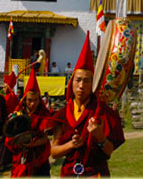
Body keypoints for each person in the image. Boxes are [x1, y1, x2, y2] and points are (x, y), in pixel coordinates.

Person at [50, 32, 125, 177]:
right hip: (70, 173)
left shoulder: (102, 112)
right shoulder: (62, 113)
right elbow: (54, 152)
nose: (81, 85)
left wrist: (100, 136)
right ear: (71, 82)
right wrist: (71, 145)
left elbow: (109, 151)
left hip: (95, 172)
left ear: (93, 84)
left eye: (86, 81)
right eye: (78, 80)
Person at [5, 68, 53, 177]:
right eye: (30, 100)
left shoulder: (43, 114)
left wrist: (32, 144)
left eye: (35, 100)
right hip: (21, 156)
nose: (32, 104)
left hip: (39, 157)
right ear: (25, 99)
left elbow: (45, 138)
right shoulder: (19, 113)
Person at [0, 72, 20, 170]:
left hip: (7, 122)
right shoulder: (13, 96)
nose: (3, 89)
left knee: (4, 143)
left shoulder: (9, 97)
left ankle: (2, 163)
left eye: (5, 87)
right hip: (11, 121)